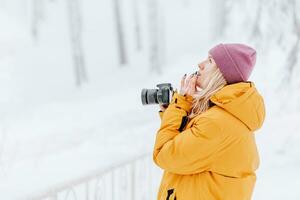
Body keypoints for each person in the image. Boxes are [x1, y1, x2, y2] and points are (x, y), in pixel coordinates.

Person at [153, 43, 266, 200]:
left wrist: (180, 106)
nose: (201, 64)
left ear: (221, 74)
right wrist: (174, 111)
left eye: (210, 61)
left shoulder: (217, 124)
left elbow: (164, 154)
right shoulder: (223, 117)